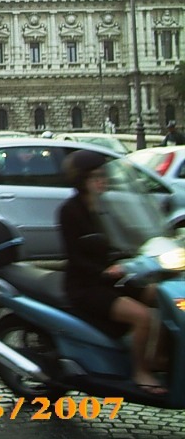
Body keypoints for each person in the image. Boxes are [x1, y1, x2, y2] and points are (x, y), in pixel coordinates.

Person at [59, 150, 165, 395]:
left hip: (110, 277)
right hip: (86, 285)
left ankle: (159, 357)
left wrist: (143, 250)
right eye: (96, 176)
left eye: (104, 175)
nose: (102, 180)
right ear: (82, 179)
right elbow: (75, 257)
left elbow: (123, 238)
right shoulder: (70, 211)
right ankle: (141, 372)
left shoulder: (102, 207)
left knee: (160, 295)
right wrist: (106, 271)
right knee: (143, 317)